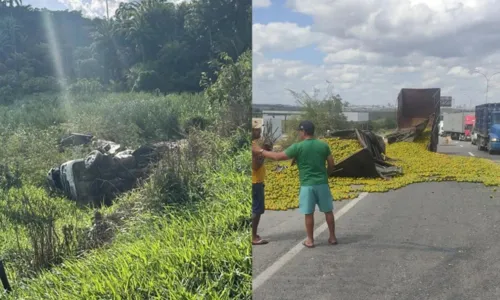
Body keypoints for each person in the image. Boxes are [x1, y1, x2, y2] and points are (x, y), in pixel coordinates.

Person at [252, 120, 337, 248]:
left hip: (307, 185)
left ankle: (310, 240)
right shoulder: (323, 145)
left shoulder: (298, 147)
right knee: (328, 211)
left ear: (303, 132)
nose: (298, 134)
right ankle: (332, 237)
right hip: (322, 183)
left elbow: (277, 157)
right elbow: (331, 164)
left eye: (299, 131)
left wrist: (261, 151)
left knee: (308, 213)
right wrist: (326, 175)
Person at [252, 119, 268, 245]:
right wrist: (265, 153)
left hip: (256, 181)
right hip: (255, 181)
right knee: (256, 210)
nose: (259, 131)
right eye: (257, 129)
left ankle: (253, 234)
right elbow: (256, 166)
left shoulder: (254, 144)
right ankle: (253, 237)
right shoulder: (253, 146)